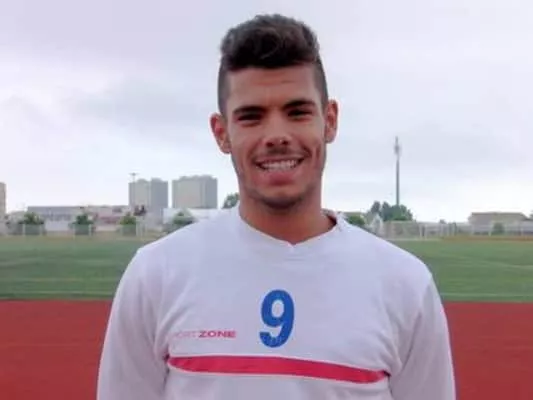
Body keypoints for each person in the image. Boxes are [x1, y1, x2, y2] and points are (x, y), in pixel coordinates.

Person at [97, 14, 456, 400]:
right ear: (221, 133)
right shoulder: (156, 274)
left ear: (330, 121)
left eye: (297, 112)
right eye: (251, 117)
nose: (277, 135)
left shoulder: (404, 284)